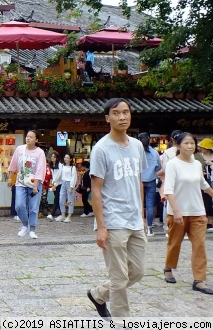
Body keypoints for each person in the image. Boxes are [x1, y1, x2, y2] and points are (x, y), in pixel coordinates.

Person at [87, 98, 146, 318]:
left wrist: (142, 215)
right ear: (107, 118)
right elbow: (96, 190)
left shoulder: (137, 146)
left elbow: (138, 181)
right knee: (119, 277)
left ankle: (98, 294)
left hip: (134, 219)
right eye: (116, 113)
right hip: (113, 221)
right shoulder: (101, 149)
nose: (122, 117)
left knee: (138, 272)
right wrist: (101, 227)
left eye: (125, 112)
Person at [163, 132, 213, 295]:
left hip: (197, 211)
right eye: (186, 143)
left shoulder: (197, 164)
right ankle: (168, 267)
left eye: (192, 143)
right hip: (177, 212)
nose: (190, 146)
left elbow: (202, 184)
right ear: (178, 146)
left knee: (199, 245)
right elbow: (168, 189)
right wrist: (176, 211)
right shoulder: (173, 164)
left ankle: (199, 280)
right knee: (174, 243)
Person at [8, 130, 47, 239]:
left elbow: (40, 169)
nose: (28, 138)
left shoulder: (40, 152)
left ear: (36, 139)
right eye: (27, 136)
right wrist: (10, 178)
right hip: (21, 182)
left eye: (31, 137)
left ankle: (32, 229)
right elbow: (13, 164)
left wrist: (35, 185)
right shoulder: (20, 149)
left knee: (33, 207)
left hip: (35, 183)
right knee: (19, 205)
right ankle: (25, 224)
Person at [138, 132, 162, 237]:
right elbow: (158, 168)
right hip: (151, 180)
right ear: (149, 139)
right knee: (150, 205)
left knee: (138, 203)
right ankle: (149, 228)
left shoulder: (136, 152)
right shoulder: (155, 153)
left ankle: (138, 227)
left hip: (138, 180)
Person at [197, 138, 213, 232]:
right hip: (205, 182)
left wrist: (211, 164)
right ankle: (207, 222)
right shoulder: (200, 157)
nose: (201, 148)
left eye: (203, 147)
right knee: (206, 201)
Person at [57, 153, 78, 223]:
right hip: (63, 183)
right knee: (61, 200)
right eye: (65, 157)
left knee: (70, 201)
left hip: (69, 184)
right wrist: (55, 183)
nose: (65, 159)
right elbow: (59, 176)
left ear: (70, 159)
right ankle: (63, 215)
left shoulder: (73, 168)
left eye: (67, 158)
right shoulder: (62, 166)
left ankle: (69, 216)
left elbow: (74, 178)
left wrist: (71, 187)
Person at [46, 152, 62, 221]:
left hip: (60, 184)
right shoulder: (51, 166)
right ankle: (61, 213)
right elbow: (53, 175)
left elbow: (59, 176)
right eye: (52, 156)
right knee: (57, 199)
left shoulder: (60, 166)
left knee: (56, 199)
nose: (52, 158)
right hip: (54, 184)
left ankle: (52, 214)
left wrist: (55, 185)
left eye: (54, 157)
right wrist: (53, 184)